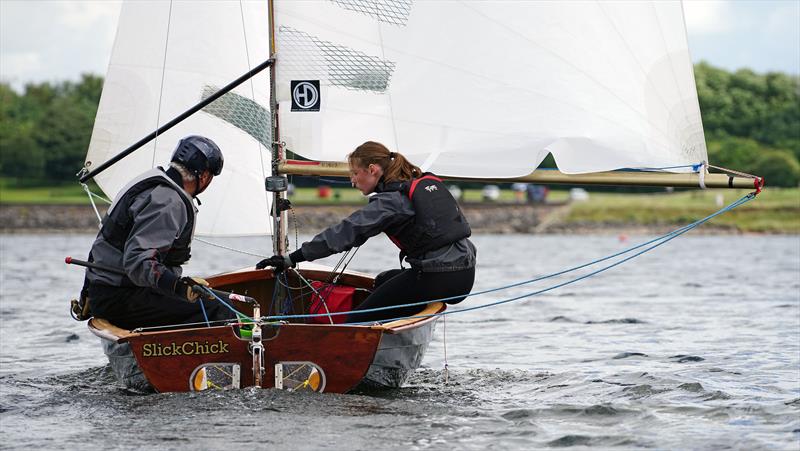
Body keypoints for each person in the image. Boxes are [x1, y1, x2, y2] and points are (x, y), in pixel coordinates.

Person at [256, 141, 476, 323]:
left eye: (354, 173)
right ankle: (395, 327)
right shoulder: (415, 184)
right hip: (463, 274)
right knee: (382, 280)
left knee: (356, 321)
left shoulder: (391, 201)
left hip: (438, 276)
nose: (352, 181)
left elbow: (346, 232)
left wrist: (292, 259)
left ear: (372, 170)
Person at [83, 135, 235, 330]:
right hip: (120, 296)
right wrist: (179, 287)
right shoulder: (167, 201)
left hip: (108, 291)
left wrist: (86, 291)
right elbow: (139, 260)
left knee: (210, 301)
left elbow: (103, 244)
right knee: (220, 308)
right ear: (204, 176)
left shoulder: (153, 182)